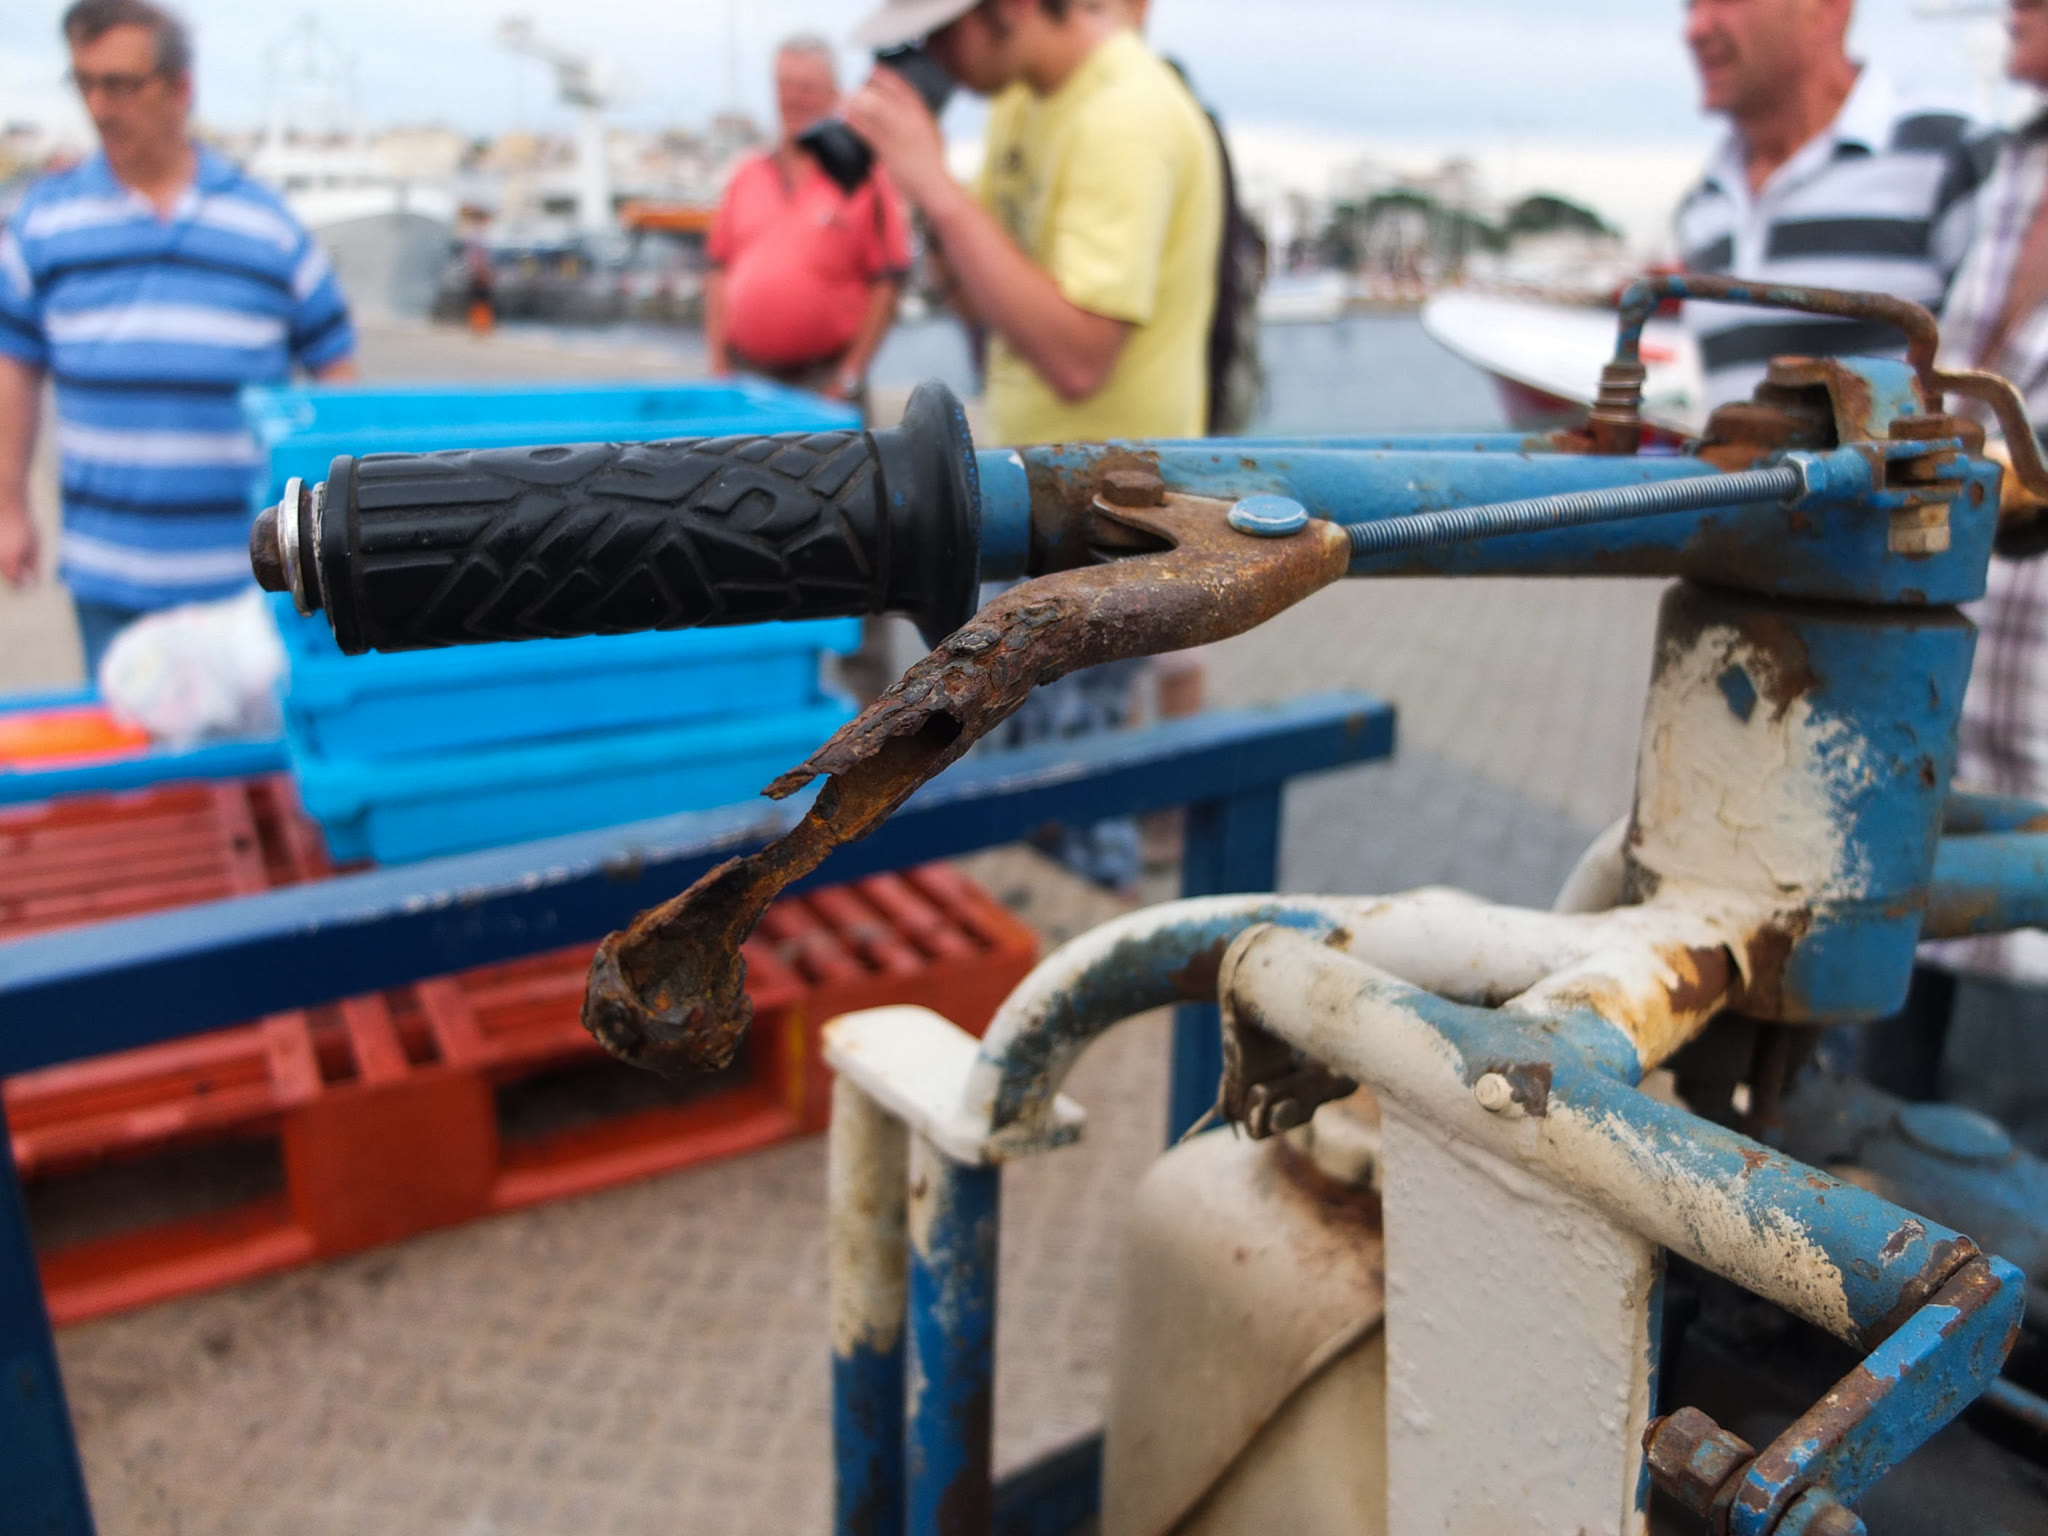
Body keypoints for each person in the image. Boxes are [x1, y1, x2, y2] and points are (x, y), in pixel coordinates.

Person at [0, 0, 357, 678]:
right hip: (105, 574)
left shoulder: (268, 227)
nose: (99, 106)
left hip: (247, 578)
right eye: (85, 82)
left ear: (180, 88)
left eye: (120, 84)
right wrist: (9, 506)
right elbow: (14, 365)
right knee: (124, 739)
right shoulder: (42, 223)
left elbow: (335, 367)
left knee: (252, 744)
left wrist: (327, 528)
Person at [1869, 0, 2048, 1153]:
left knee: (2009, 1184)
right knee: (1871, 1147)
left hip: (2037, 799)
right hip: (1928, 751)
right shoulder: (2003, 166)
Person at [844, 0, 1222, 448]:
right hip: (1038, 462)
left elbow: (1077, 365)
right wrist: (925, 197)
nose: (933, 52)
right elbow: (979, 304)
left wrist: (937, 188)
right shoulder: (1020, 98)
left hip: (1122, 477)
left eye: (945, 30)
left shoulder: (1126, 116)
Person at [1677, 0, 1999, 412]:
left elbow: (2008, 395)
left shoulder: (1953, 155)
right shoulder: (1703, 206)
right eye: (1690, 6)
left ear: (1827, 8)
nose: (1695, 29)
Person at [704, 34, 912, 410]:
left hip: (824, 382)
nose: (794, 98)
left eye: (807, 88)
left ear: (834, 95)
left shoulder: (862, 177)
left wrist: (848, 376)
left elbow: (888, 282)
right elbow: (718, 269)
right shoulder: (746, 174)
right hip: (746, 378)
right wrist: (719, 366)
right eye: (785, 85)